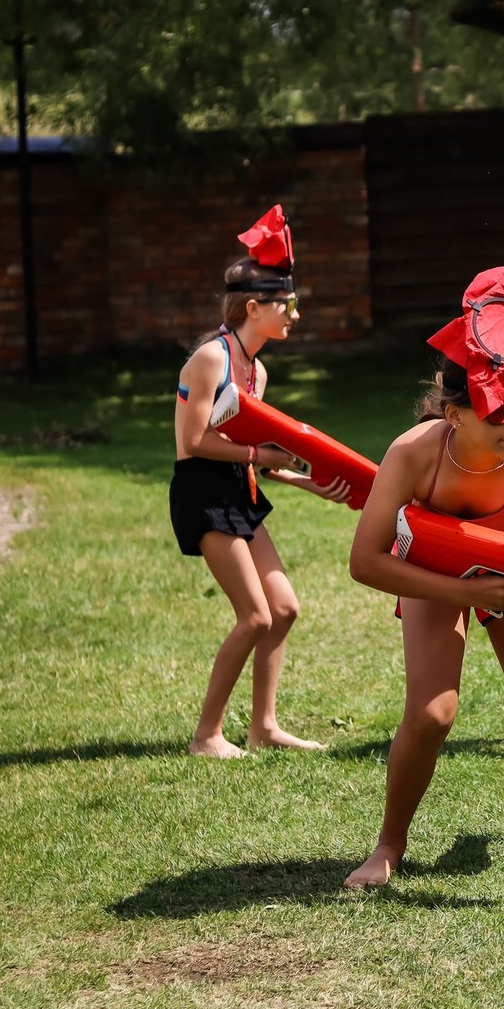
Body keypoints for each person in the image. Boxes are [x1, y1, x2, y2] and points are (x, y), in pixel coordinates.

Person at [346, 267, 504, 890]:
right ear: (454, 413)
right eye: (499, 412)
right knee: (433, 714)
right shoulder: (412, 453)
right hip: (433, 575)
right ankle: (389, 845)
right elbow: (365, 560)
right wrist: (463, 593)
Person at [170, 205, 349, 759]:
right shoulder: (211, 358)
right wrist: (258, 453)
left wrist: (307, 483)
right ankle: (206, 737)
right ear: (254, 308)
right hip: (203, 490)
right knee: (254, 617)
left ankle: (263, 727)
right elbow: (194, 442)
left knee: (284, 608)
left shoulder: (257, 370)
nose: (295, 314)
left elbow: (261, 461)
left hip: (237, 488)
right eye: (286, 304)